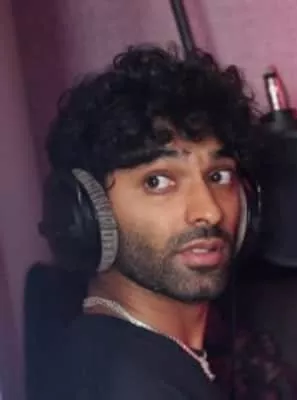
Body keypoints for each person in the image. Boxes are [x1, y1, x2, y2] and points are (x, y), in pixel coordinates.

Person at [39, 44, 261, 399]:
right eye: (157, 181)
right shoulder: (119, 383)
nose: (209, 211)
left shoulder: (155, 356)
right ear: (88, 213)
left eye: (219, 176)